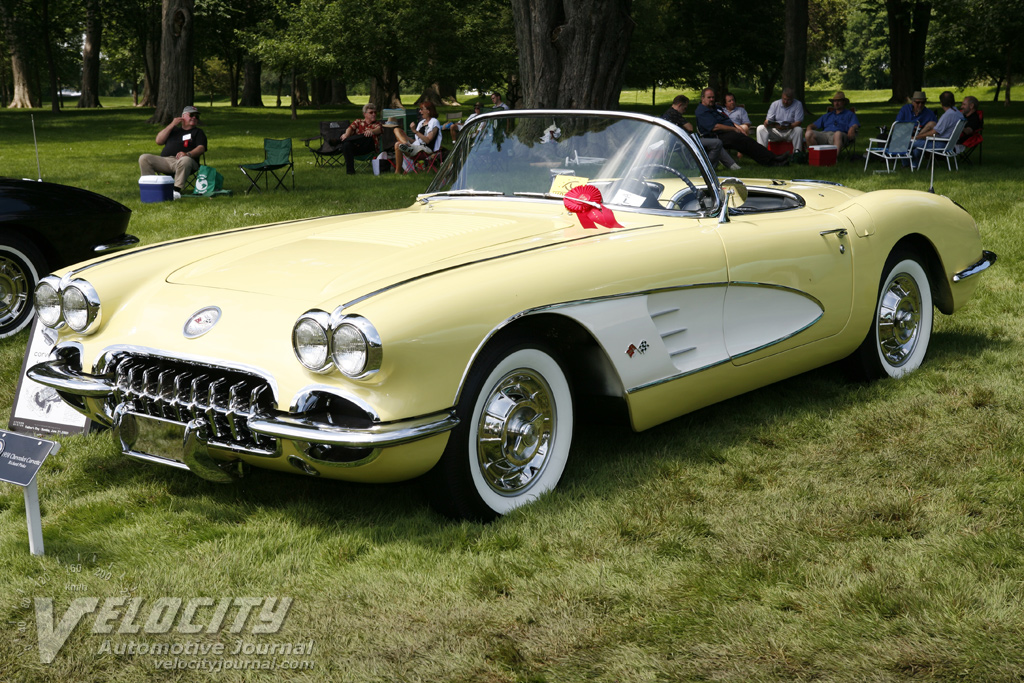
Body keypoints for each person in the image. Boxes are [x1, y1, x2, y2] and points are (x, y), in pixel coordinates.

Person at [696, 88, 789, 166]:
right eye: (709, 97)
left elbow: (728, 120)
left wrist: (739, 128)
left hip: (727, 132)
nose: (712, 99)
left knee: (747, 141)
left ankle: (772, 159)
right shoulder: (701, 111)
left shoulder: (716, 107)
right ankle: (773, 159)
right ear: (702, 98)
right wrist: (734, 129)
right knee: (744, 142)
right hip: (716, 136)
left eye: (713, 97)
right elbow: (715, 127)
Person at [138, 105, 207, 198]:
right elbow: (159, 141)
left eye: (196, 116)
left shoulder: (198, 132)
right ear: (183, 116)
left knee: (185, 160)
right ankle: (150, 188)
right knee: (144, 158)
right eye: (191, 115)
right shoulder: (173, 130)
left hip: (188, 162)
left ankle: (176, 191)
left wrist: (187, 154)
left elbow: (201, 148)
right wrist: (172, 125)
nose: (194, 117)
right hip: (166, 161)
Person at [661, 94, 740, 171]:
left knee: (715, 143)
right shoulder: (675, 114)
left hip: (675, 142)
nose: (685, 111)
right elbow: (690, 128)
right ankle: (705, 168)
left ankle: (733, 166)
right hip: (683, 142)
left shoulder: (666, 113)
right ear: (680, 105)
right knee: (717, 142)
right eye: (684, 108)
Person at [911, 90, 965, 166]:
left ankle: (903, 163)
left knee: (910, 142)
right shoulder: (958, 113)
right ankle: (913, 165)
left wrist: (916, 137)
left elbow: (934, 132)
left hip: (941, 144)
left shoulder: (947, 115)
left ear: (941, 103)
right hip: (951, 144)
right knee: (918, 146)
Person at [393, 101, 441, 174]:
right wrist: (406, 137)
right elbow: (417, 141)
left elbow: (428, 140)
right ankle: (405, 143)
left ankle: (397, 172)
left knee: (397, 145)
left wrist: (415, 131)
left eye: (422, 109)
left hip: (425, 149)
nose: (420, 111)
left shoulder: (434, 122)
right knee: (397, 129)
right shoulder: (421, 123)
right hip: (416, 146)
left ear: (428, 111)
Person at [756, 87, 805, 152]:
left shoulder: (798, 104)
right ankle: (761, 152)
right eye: (784, 99)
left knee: (798, 130)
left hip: (789, 131)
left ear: (793, 98)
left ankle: (797, 153)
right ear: (782, 96)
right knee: (760, 128)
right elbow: (767, 121)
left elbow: (798, 122)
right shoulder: (775, 104)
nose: (786, 102)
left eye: (788, 100)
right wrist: (770, 123)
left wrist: (787, 126)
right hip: (776, 131)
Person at [339, 103, 381, 175]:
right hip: (357, 149)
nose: (374, 114)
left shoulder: (377, 124)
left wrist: (372, 131)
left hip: (369, 149)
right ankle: (350, 172)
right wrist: (346, 134)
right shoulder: (358, 122)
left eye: (375, 112)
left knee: (367, 136)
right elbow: (350, 128)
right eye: (371, 112)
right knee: (346, 144)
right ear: (365, 114)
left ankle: (338, 142)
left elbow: (379, 130)